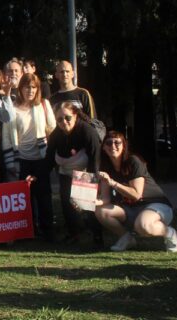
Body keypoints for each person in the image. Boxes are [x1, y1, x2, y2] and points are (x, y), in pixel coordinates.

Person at [95, 131, 177, 252]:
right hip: (129, 209)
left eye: (117, 142)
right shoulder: (105, 167)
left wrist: (113, 183)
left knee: (143, 226)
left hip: (154, 204)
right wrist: (87, 202)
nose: (113, 146)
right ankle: (126, 238)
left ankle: (169, 232)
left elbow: (136, 195)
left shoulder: (133, 161)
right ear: (103, 147)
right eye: (108, 143)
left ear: (124, 145)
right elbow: (105, 199)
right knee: (101, 211)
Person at [1, 73, 56, 240]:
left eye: (33, 87)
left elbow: (53, 128)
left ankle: (48, 232)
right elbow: (6, 136)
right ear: (21, 89)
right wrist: (10, 161)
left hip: (41, 158)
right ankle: (29, 231)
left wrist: (50, 152)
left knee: (44, 196)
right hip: (21, 159)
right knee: (25, 198)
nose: (30, 90)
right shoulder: (13, 108)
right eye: (27, 87)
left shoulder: (43, 105)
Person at [42, 101, 102, 245]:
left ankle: (97, 237)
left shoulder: (87, 131)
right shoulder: (56, 135)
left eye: (67, 117)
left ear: (75, 115)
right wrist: (37, 175)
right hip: (65, 172)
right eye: (59, 119)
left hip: (86, 170)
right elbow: (49, 159)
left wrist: (93, 183)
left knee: (86, 205)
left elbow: (95, 160)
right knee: (67, 205)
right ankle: (74, 234)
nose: (64, 122)